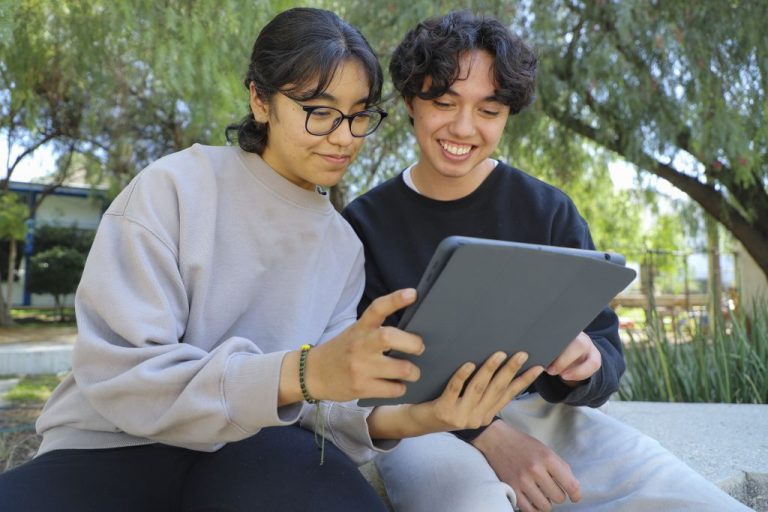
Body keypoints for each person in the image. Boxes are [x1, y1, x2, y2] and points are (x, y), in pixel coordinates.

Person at [0, 8, 543, 512]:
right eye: (319, 113)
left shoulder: (342, 244)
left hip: (257, 451)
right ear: (261, 100)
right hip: (112, 447)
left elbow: (324, 408)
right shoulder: (174, 189)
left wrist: (430, 416)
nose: (343, 138)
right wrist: (301, 371)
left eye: (358, 116)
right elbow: (124, 375)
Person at [342, 11, 752, 512]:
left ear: (509, 114)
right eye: (444, 103)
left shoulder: (547, 209)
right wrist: (489, 438)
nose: (464, 127)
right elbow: (369, 378)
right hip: (422, 425)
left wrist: (586, 363)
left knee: (693, 499)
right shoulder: (365, 223)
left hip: (542, 412)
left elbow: (604, 346)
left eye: (489, 111)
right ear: (410, 101)